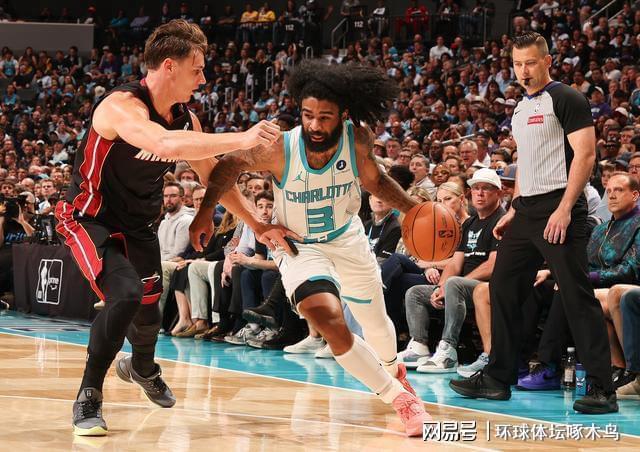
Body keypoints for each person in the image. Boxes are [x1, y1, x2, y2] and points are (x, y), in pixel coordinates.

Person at [54, 19, 286, 436]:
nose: (203, 79)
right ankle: (89, 394)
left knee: (148, 311)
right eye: (197, 69)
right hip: (90, 219)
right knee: (124, 294)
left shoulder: (186, 120)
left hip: (139, 225)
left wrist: (256, 223)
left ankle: (143, 368)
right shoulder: (120, 107)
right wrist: (243, 137)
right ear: (168, 66)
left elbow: (212, 175)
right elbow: (162, 144)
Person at [190, 60, 431, 436]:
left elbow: (375, 181)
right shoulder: (279, 148)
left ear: (343, 115)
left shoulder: (358, 138)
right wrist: (206, 210)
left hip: (347, 240)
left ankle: (392, 368)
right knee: (328, 319)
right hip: (300, 247)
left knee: (377, 328)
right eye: (308, 115)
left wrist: (413, 209)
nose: (315, 125)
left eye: (325, 117)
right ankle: (399, 398)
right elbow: (229, 166)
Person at [449, 31, 618, 415]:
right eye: (517, 64)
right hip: (526, 211)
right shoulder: (520, 109)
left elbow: (586, 156)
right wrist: (514, 208)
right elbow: (526, 162)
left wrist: (565, 207)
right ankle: (497, 378)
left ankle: (601, 388)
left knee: (575, 296)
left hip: (561, 207)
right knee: (503, 288)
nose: (523, 71)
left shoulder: (567, 98)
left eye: (530, 63)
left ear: (547, 62)